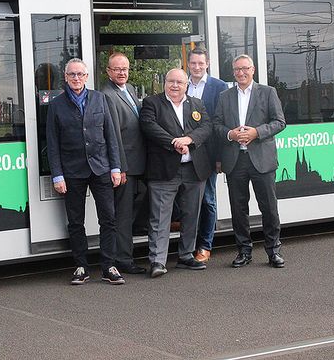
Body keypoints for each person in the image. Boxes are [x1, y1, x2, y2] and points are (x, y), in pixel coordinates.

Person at [46, 58, 125, 285]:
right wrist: (57, 175)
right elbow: (52, 143)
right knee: (75, 221)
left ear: (87, 77)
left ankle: (109, 265)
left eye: (80, 74)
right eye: (72, 75)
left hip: (101, 168)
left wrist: (116, 167)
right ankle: (81, 266)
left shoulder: (100, 99)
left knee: (108, 219)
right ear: (66, 77)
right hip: (71, 171)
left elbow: (111, 136)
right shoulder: (56, 105)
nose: (76, 78)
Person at [213, 55, 287, 269]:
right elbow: (216, 125)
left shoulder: (268, 92)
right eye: (237, 69)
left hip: (262, 160)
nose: (240, 73)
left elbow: (280, 122)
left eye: (245, 68)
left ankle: (274, 251)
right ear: (233, 71)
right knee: (238, 209)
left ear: (253, 69)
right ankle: (243, 251)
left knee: (269, 208)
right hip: (235, 161)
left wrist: (257, 132)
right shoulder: (224, 96)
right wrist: (230, 135)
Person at [140, 68, 212, 278]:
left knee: (191, 215)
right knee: (160, 217)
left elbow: (206, 127)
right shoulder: (151, 103)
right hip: (163, 171)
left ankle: (186, 255)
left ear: (186, 85)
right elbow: (149, 126)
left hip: (194, 169)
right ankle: (157, 261)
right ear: (165, 83)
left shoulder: (196, 104)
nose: (174, 85)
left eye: (179, 82)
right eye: (171, 81)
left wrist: (189, 140)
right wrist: (173, 142)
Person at [101, 52, 146, 275]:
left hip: (140, 162)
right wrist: (120, 167)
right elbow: (113, 135)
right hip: (126, 165)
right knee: (124, 214)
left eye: (125, 68)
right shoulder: (107, 95)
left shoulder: (130, 89)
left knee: (140, 203)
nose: (122, 73)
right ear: (108, 71)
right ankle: (123, 259)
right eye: (117, 69)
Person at [186, 48, 228, 263]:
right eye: (193, 63)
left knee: (208, 200)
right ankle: (188, 245)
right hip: (184, 153)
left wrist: (220, 157)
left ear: (207, 63)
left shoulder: (219, 87)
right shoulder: (181, 84)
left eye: (200, 63)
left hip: (209, 153)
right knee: (188, 200)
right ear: (188, 64)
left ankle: (205, 245)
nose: (197, 67)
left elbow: (221, 123)